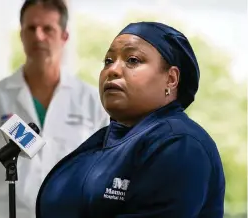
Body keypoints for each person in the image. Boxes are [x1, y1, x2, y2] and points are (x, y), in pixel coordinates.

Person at [36, 21, 226, 218]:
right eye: (108, 61)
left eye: (133, 60)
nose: (113, 70)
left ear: (171, 79)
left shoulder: (180, 143)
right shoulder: (101, 143)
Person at [0, 0, 109, 218]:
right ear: (21, 34)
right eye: (31, 28)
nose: (39, 36)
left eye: (48, 29)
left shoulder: (92, 101)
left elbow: (104, 171)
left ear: (64, 36)